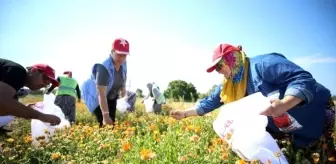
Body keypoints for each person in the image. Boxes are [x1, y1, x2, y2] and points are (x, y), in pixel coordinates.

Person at [170, 44, 336, 159]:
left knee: (327, 152)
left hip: (316, 109)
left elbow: (303, 78)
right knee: (304, 153)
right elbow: (208, 103)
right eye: (216, 69)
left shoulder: (263, 64)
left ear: (231, 58)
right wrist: (184, 113)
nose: (219, 72)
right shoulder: (229, 85)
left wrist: (284, 104)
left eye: (220, 66)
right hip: (290, 126)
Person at [81, 38, 129, 127]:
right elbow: (101, 94)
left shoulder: (124, 62)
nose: (122, 58)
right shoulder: (103, 67)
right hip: (96, 95)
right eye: (119, 54)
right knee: (104, 122)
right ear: (112, 51)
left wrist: (123, 87)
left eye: (124, 55)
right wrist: (105, 116)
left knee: (112, 121)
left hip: (111, 94)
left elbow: (124, 74)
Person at [0, 58, 61, 126]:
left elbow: (3, 109)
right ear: (34, 70)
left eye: (48, 84)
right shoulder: (18, 71)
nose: (44, 85)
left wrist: (23, 110)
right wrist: (40, 116)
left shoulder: (18, 83)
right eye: (45, 79)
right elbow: (3, 102)